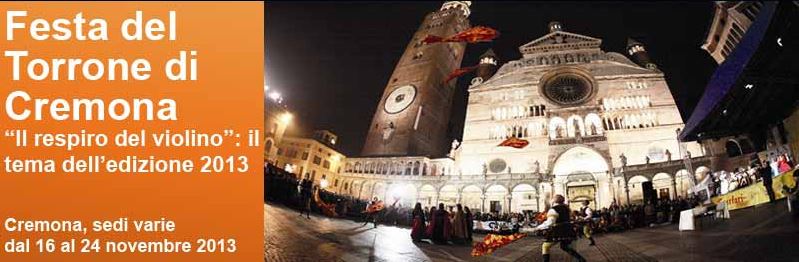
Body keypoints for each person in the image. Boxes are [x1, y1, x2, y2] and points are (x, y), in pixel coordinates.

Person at [533, 194, 586, 262]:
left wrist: (538, 227)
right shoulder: (567, 208)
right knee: (564, 246)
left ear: (554, 200)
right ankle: (581, 259)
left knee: (545, 246)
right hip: (568, 229)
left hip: (558, 230)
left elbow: (550, 222)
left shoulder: (553, 209)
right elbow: (571, 218)